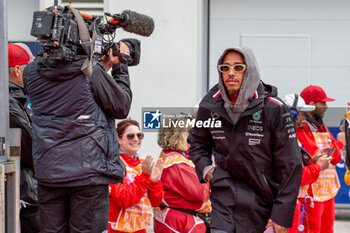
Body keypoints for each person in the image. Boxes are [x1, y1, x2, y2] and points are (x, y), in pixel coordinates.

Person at [23, 33, 132, 232]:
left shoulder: (30, 72)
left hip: (50, 173)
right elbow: (121, 106)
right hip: (88, 173)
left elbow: (67, 90)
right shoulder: (91, 70)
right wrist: (121, 66)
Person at [187, 47, 302, 233]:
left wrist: (281, 214)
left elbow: (291, 166)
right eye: (225, 68)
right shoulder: (209, 105)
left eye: (238, 67)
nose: (230, 73)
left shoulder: (274, 108)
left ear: (250, 71)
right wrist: (207, 169)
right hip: (223, 202)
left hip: (262, 205)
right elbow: (198, 144)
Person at [296, 85, 343, 233]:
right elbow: (315, 156)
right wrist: (340, 143)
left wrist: (335, 148)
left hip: (327, 192)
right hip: (311, 194)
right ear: (311, 105)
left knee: (327, 229)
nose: (326, 106)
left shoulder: (321, 126)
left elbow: (335, 157)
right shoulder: (301, 127)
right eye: (322, 103)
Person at [154, 115, 211, 233]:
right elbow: (200, 193)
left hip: (179, 219)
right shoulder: (176, 163)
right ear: (179, 134)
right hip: (181, 222)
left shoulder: (173, 155)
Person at [283, 94, 332, 233]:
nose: (304, 119)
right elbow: (295, 176)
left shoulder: (288, 137)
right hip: (288, 205)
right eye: (302, 114)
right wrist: (317, 167)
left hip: (292, 202)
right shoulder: (284, 140)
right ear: (291, 115)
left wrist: (312, 160)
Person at [108, 119, 164, 233]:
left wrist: (154, 182)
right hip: (117, 229)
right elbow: (124, 199)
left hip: (139, 228)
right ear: (118, 139)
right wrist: (144, 176)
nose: (136, 139)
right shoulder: (113, 163)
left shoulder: (143, 163)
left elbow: (155, 202)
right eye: (130, 136)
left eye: (139, 135)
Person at [8, 43, 40, 232]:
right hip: (25, 196)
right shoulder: (10, 104)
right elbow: (33, 151)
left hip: (22, 193)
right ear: (18, 70)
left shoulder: (16, 101)